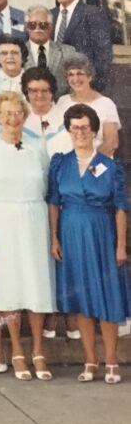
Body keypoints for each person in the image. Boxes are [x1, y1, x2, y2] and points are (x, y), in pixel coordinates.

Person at [0, 91, 56, 381]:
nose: (13, 118)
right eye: (7, 113)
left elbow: (46, 189)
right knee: (10, 286)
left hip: (34, 219)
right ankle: (17, 350)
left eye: (18, 113)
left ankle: (38, 351)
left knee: (36, 284)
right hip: (3, 220)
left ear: (25, 115)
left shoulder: (38, 147)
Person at [48, 104, 131, 384]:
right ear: (68, 131)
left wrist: (120, 245)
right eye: (75, 128)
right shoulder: (60, 163)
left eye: (85, 127)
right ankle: (90, 360)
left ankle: (111, 360)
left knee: (106, 297)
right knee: (81, 300)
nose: (80, 132)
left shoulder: (109, 165)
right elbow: (53, 203)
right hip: (70, 234)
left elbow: (120, 207)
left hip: (102, 234)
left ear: (94, 130)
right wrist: (54, 238)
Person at [49, 0, 112, 92]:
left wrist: (92, 88)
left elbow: (103, 55)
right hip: (55, 88)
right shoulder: (50, 15)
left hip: (83, 87)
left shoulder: (92, 13)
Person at [56, 55, 119, 158]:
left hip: (97, 163)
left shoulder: (106, 104)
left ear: (90, 77)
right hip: (67, 162)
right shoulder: (63, 101)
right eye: (71, 74)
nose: (75, 79)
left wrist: (87, 164)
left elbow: (111, 143)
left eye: (80, 73)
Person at [22, 67, 71, 157]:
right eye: (34, 91)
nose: (40, 95)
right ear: (26, 92)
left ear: (52, 91)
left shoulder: (66, 118)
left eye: (44, 90)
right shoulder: (19, 120)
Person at [22, 6, 70, 96]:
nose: (37, 29)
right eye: (32, 25)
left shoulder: (68, 52)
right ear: (26, 27)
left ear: (51, 26)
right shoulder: (18, 52)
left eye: (43, 25)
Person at [0, 33, 28, 106]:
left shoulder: (33, 82)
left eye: (14, 53)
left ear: (22, 56)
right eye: (4, 53)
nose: (10, 57)